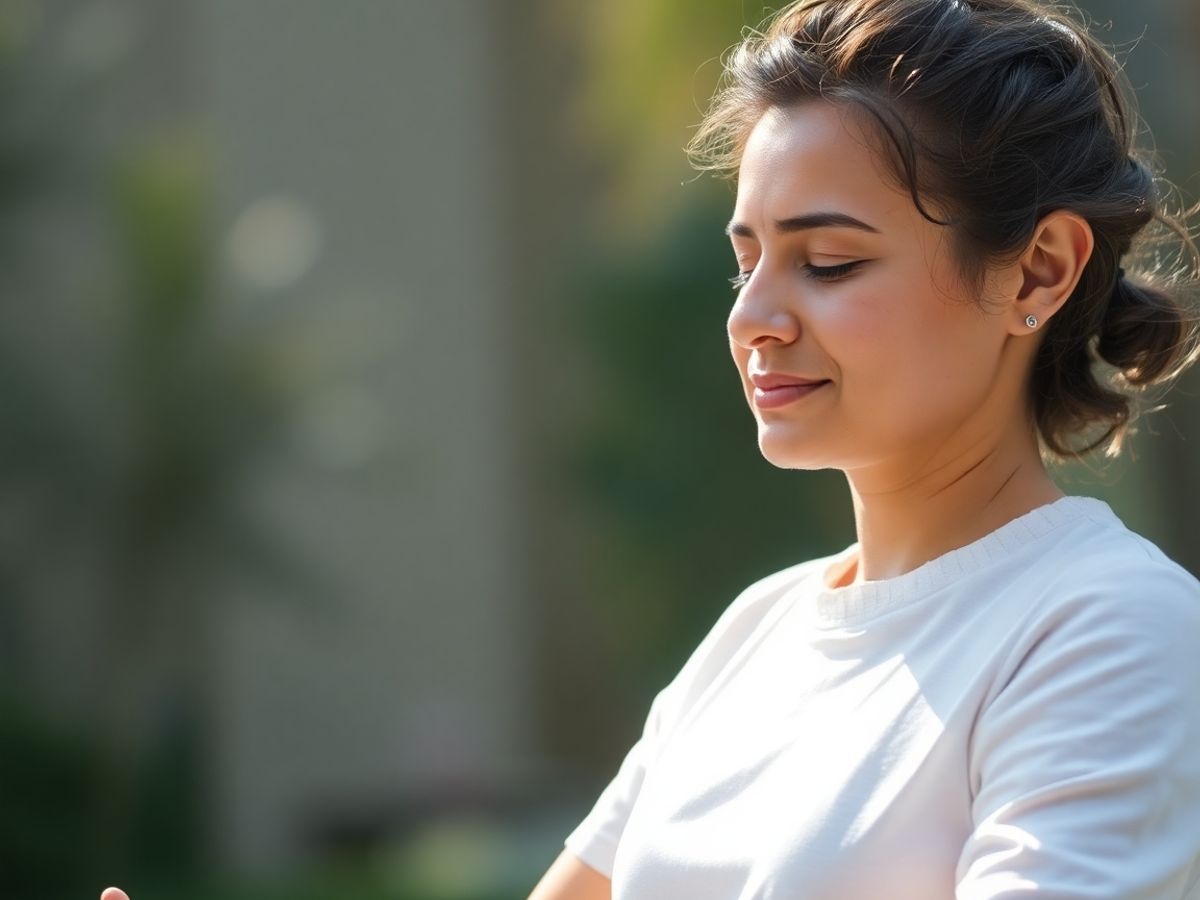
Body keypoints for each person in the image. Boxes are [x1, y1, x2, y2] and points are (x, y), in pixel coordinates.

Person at [527, 0, 1200, 898]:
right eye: (747, 261)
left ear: (1039, 269)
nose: (750, 319)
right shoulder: (755, 633)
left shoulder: (1107, 629)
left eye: (829, 263)